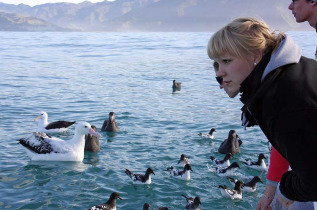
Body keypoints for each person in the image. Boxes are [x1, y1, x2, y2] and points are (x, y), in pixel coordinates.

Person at [207, 17, 317, 208]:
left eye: (226, 60)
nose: (219, 72)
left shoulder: (282, 98)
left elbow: (314, 182)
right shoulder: (289, 74)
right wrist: (271, 192)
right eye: (216, 64)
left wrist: (285, 187)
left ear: (256, 55)